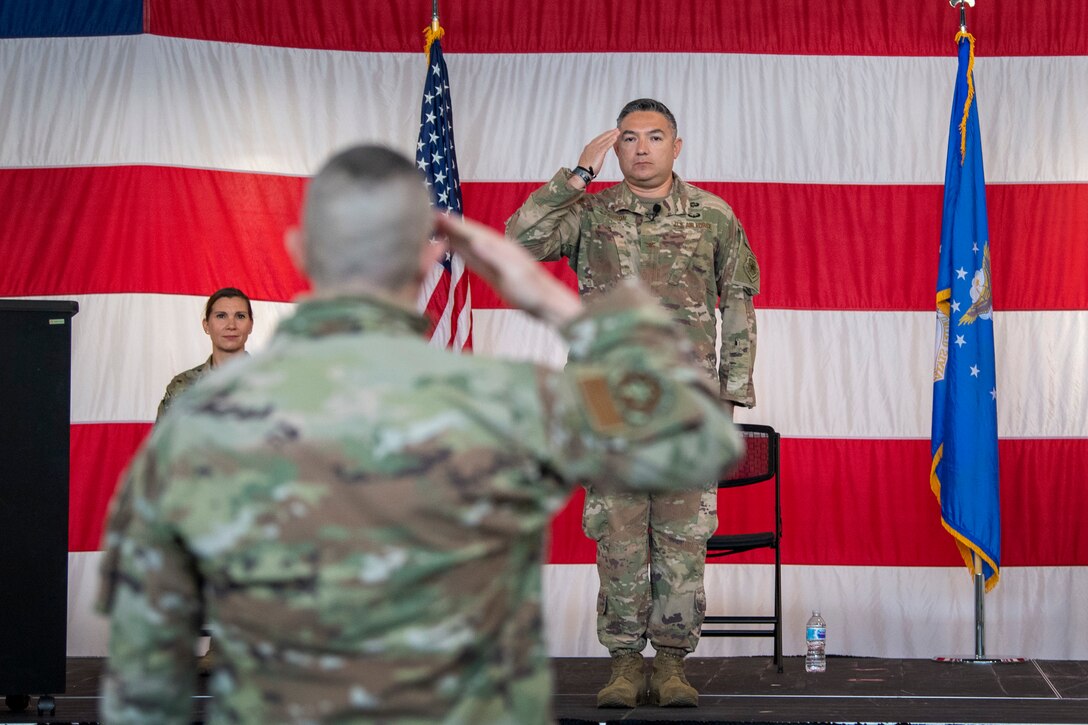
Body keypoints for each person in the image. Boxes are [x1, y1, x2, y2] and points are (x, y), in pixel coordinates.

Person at [97, 144, 744, 724]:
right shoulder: (506, 401)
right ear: (431, 253)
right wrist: (564, 311)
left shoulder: (204, 416)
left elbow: (144, 667)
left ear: (300, 250)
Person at [506, 98, 760, 708]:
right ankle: (623, 664)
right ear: (614, 149)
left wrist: (731, 394)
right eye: (628, 138)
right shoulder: (589, 213)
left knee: (683, 538)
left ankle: (671, 664)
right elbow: (520, 241)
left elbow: (738, 301)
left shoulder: (713, 215)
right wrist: (575, 177)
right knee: (617, 537)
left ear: (677, 146)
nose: (641, 148)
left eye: (654, 136)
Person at [156, 287, 254, 422]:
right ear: (206, 325)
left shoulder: (276, 384)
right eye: (221, 316)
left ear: (250, 325)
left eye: (240, 316)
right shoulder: (181, 387)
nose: (231, 325)